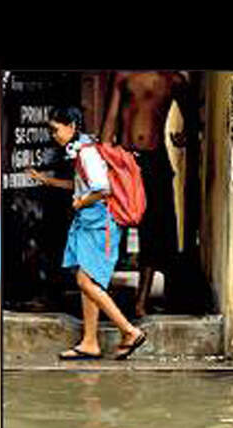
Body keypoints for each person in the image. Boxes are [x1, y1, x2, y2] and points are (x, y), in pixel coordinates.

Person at [27, 106, 146, 360]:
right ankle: (90, 342)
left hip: (99, 225)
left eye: (55, 129)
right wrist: (47, 181)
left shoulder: (87, 152)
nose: (54, 135)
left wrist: (80, 203)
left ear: (71, 125)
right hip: (90, 224)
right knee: (87, 283)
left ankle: (129, 330)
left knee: (85, 281)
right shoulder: (81, 150)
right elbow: (82, 184)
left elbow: (102, 190)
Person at [101, 71, 195, 319]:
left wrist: (186, 133)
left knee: (153, 231)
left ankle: (140, 302)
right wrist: (103, 158)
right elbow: (109, 120)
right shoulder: (123, 74)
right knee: (108, 224)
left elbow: (193, 116)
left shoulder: (173, 79)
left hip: (155, 161)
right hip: (125, 158)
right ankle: (102, 292)